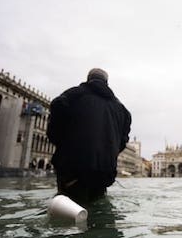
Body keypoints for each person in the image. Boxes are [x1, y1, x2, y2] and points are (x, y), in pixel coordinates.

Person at [47, 68, 131, 203]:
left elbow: (54, 125)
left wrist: (62, 145)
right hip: (105, 173)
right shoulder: (122, 109)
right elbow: (122, 142)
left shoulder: (71, 96)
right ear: (107, 83)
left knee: (69, 212)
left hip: (73, 169)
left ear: (88, 79)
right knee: (97, 211)